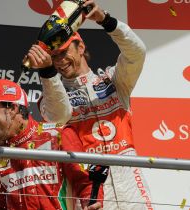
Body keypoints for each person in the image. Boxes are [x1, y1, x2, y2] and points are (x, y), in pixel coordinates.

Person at [25, 0, 153, 209]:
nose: (59, 61)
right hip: (89, 189)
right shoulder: (50, 95)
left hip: (131, 186)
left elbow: (136, 53)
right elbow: (59, 116)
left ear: (81, 46)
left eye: (64, 52)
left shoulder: (113, 80)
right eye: (54, 57)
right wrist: (47, 73)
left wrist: (107, 21)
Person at [0, 79, 103, 210]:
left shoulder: (57, 135)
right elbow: (1, 205)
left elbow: (86, 181)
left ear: (13, 108)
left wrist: (90, 202)